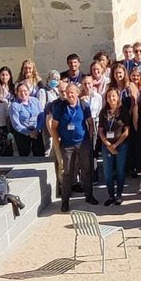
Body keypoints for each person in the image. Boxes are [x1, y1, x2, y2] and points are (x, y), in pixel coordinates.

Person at [49, 84, 98, 212]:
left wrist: (90, 138)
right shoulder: (60, 107)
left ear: (77, 93)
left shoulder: (84, 105)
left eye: (72, 92)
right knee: (68, 173)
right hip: (67, 145)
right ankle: (65, 201)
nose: (70, 95)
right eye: (67, 92)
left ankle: (89, 196)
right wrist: (56, 141)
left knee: (86, 171)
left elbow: (90, 122)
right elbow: (54, 127)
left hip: (83, 143)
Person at [96, 89, 130, 206]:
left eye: (114, 96)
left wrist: (115, 145)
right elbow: (100, 131)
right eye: (109, 96)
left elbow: (126, 131)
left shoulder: (123, 111)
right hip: (107, 146)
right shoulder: (103, 112)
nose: (112, 98)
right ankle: (111, 195)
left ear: (118, 97)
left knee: (120, 171)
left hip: (121, 145)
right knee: (107, 172)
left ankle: (119, 195)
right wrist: (108, 144)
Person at [8, 82, 44, 157]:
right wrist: (28, 133)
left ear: (28, 91)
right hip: (22, 134)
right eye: (20, 91)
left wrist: (37, 130)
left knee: (39, 154)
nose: (23, 93)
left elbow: (41, 116)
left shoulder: (35, 101)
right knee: (24, 155)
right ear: (16, 93)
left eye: (25, 91)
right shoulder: (14, 105)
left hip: (36, 132)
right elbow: (16, 124)